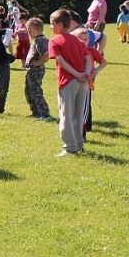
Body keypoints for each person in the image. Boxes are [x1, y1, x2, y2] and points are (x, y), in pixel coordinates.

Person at [48, 9, 91, 156]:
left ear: (60, 25)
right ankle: (79, 144)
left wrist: (76, 74)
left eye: (52, 24)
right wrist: (85, 74)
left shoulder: (55, 40)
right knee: (78, 115)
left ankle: (69, 147)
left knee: (66, 114)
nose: (50, 27)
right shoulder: (79, 41)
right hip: (82, 82)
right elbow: (88, 59)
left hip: (68, 82)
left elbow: (60, 60)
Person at [79, 32, 108, 143]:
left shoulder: (91, 51)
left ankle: (82, 134)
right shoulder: (73, 51)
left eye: (86, 39)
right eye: (80, 39)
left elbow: (104, 62)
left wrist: (95, 71)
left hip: (87, 84)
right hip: (74, 84)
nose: (83, 42)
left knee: (84, 109)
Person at [24, 17, 51, 120]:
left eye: (30, 31)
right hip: (31, 70)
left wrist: (39, 62)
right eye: (28, 31)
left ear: (38, 30)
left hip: (36, 70)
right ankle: (35, 112)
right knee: (29, 91)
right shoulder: (39, 39)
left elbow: (47, 55)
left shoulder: (40, 41)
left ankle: (45, 113)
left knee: (35, 92)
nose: (28, 33)